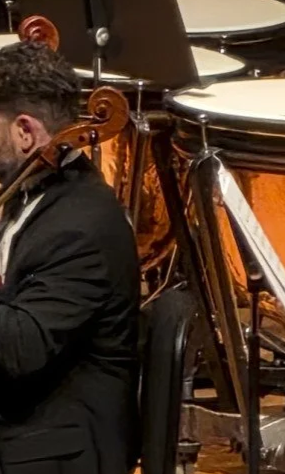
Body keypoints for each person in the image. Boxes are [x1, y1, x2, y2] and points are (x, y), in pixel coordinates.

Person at [0, 40, 141, 474]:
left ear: (25, 131)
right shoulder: (28, 186)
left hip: (47, 449)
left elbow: (18, 349)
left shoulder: (80, 226)